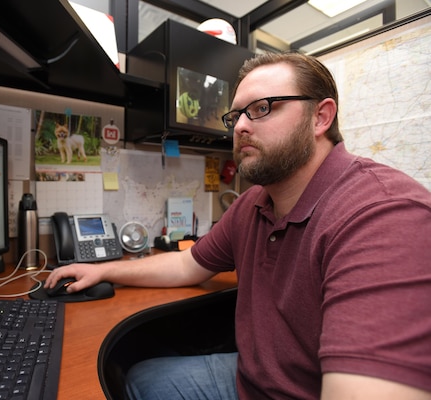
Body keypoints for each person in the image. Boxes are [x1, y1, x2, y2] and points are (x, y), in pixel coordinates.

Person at [45, 52, 431, 399]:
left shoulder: (384, 215)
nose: (241, 127)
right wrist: (101, 270)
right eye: (236, 115)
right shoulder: (254, 203)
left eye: (261, 108)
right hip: (252, 380)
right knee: (139, 378)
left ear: (321, 116)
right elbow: (186, 264)